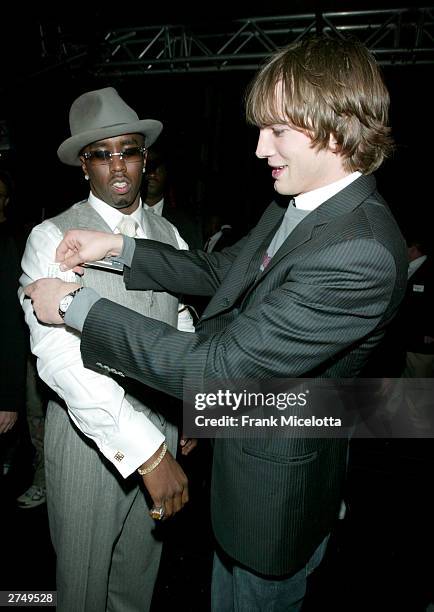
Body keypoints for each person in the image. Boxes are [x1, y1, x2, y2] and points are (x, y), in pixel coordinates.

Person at [25, 36, 408, 611]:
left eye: (276, 130)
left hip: (271, 488)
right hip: (131, 448)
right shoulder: (295, 205)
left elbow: (219, 367)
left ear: (333, 125)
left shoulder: (359, 251)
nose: (259, 149)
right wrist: (121, 249)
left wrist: (76, 307)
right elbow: (218, 271)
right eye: (101, 154)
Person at [19, 87, 196, 612]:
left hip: (162, 426)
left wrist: (186, 410)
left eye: (129, 150)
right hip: (87, 444)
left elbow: (182, 322)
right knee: (80, 591)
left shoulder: (169, 235)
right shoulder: (51, 237)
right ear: (83, 166)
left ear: (145, 158)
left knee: (136, 588)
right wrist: (149, 452)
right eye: (102, 154)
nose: (118, 165)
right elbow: (59, 357)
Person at [143, 145, 203, 249]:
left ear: (167, 173)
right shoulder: (124, 215)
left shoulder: (185, 224)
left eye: (158, 168)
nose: (152, 174)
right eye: (148, 168)